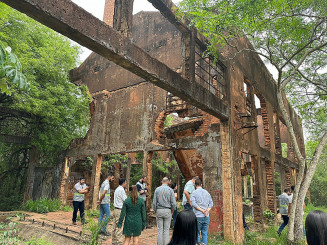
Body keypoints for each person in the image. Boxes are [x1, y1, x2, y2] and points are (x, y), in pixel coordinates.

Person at [153, 177, 177, 245]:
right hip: (167, 210)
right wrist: (172, 211)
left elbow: (154, 202)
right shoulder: (170, 190)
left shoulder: (157, 189)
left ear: (162, 181)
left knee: (160, 230)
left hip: (159, 210)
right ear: (167, 182)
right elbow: (174, 203)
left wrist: (155, 210)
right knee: (166, 230)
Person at [190, 179, 213, 245]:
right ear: (201, 184)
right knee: (204, 233)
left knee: (196, 233)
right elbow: (211, 203)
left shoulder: (194, 193)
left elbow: (194, 204)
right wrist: (207, 211)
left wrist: (202, 210)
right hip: (206, 216)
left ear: (195, 185)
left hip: (198, 216)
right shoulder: (206, 192)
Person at [112, 178, 127, 245]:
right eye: (125, 182)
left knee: (114, 226)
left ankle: (114, 241)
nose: (126, 184)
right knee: (119, 226)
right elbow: (125, 200)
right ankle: (119, 242)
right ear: (123, 183)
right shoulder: (121, 190)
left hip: (115, 209)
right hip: (120, 210)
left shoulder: (117, 189)